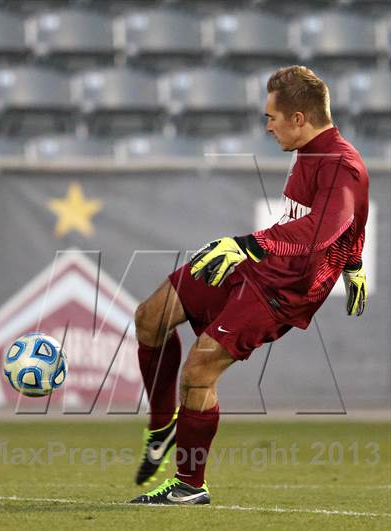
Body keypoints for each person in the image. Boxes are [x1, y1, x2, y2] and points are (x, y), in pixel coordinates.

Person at [130, 65, 369, 505]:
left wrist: (248, 245)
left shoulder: (341, 164)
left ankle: (188, 485)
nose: (267, 125)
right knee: (150, 317)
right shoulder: (316, 152)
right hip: (265, 265)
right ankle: (163, 425)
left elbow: (323, 227)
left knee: (199, 371)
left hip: (286, 290)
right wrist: (354, 265)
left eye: (271, 117)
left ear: (299, 118)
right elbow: (356, 214)